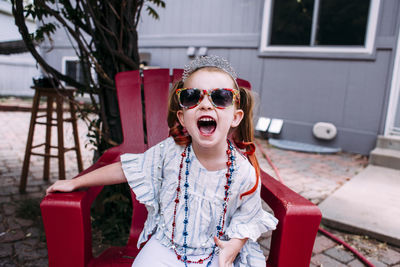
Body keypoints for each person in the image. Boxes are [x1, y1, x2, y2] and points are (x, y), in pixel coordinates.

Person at [46, 56, 278, 267]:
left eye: (220, 97)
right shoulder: (171, 152)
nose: (206, 104)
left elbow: (247, 218)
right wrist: (76, 182)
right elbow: (126, 169)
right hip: (167, 247)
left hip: (215, 251)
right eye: (192, 97)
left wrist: (234, 245)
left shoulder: (244, 173)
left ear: (236, 117)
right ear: (182, 118)